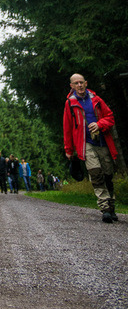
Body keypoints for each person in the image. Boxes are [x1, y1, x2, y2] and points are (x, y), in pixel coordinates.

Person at [63, 73, 119, 223]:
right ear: (72, 86)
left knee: (107, 174)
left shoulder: (97, 99)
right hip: (85, 144)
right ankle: (105, 209)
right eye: (76, 83)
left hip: (103, 142)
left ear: (86, 83)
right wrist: (69, 150)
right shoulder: (70, 103)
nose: (79, 85)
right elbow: (67, 128)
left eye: (81, 82)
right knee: (95, 173)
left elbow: (110, 117)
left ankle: (111, 206)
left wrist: (99, 125)